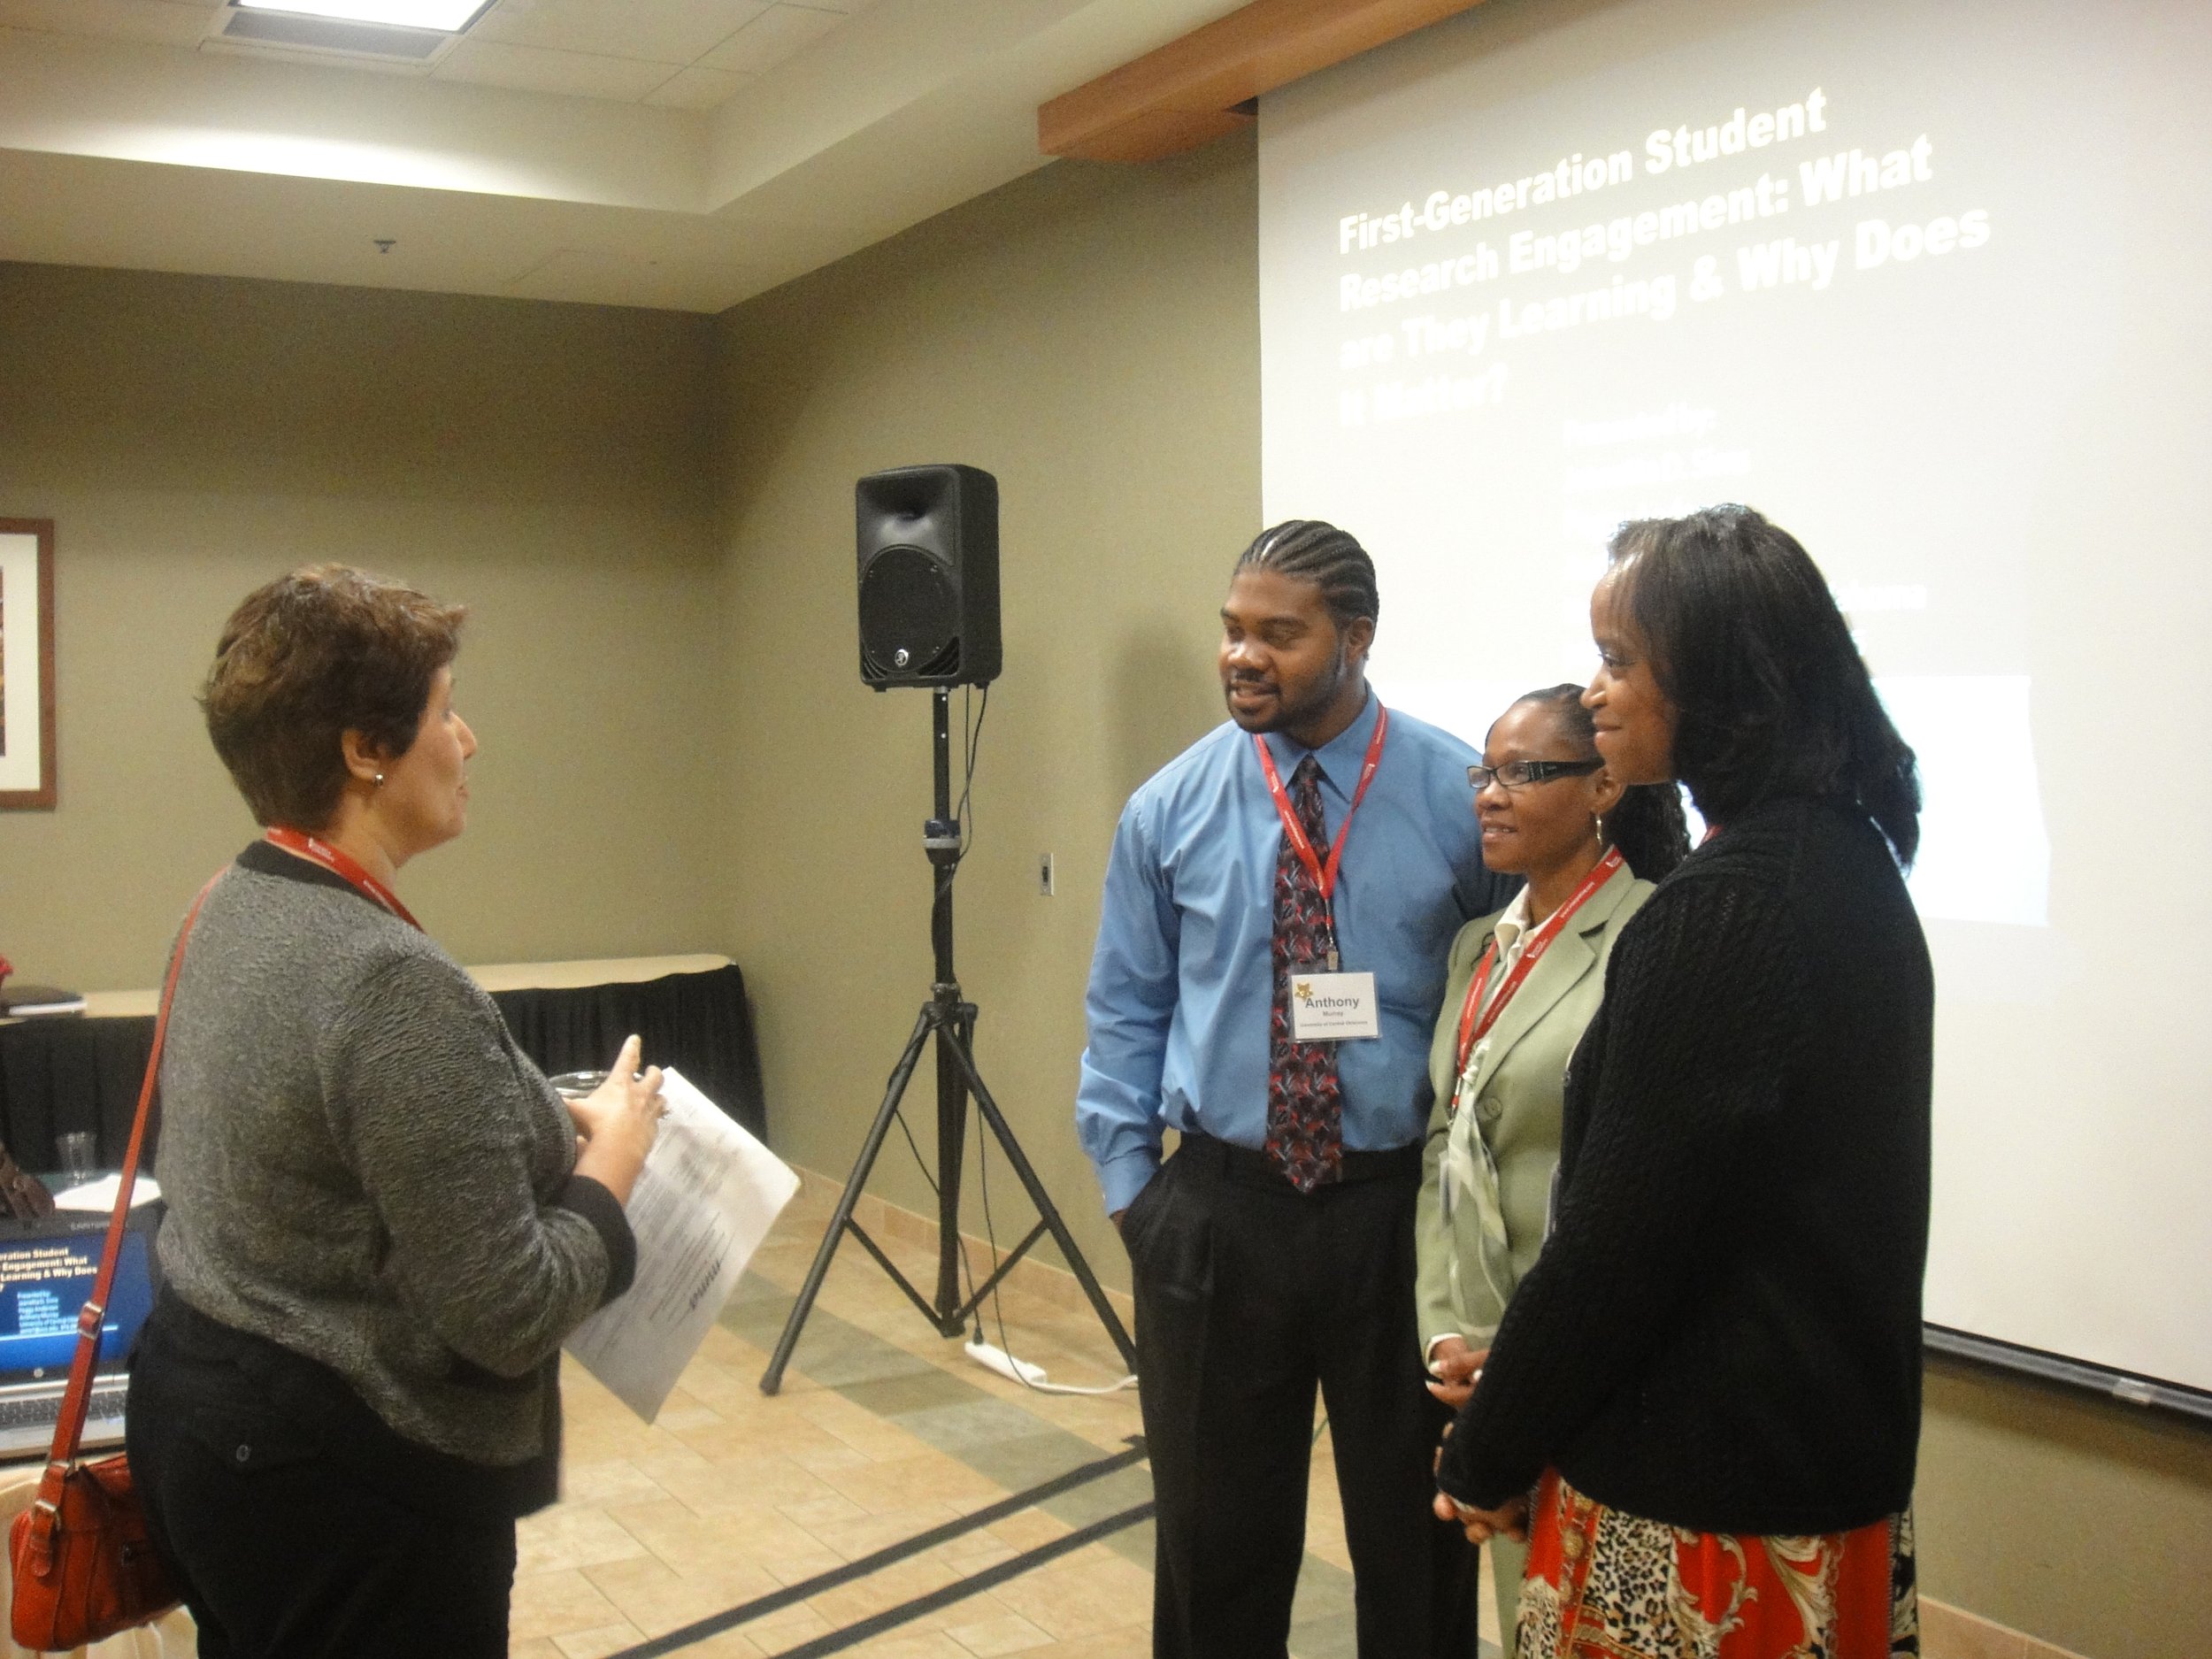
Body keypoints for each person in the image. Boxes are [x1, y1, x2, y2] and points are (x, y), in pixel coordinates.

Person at [127, 565, 666, 1657]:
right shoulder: (386, 980)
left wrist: (532, 1121)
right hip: (343, 1490)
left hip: (207, 1428)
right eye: (444, 710)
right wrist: (614, 1163)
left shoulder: (230, 901)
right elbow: (507, 1311)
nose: (469, 740)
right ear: (365, 752)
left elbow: (346, 1144)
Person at [1432, 505, 1931, 1659]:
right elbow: (1724, 1220)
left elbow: (1617, 1248)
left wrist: (1488, 1452)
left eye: (1619, 661)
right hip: (1808, 1482)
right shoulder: (1848, 862)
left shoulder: (1723, 912)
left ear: (1718, 681)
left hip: (1703, 1520)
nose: (1596, 692)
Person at [1077, 520, 1511, 1658]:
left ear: (1356, 639)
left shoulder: (1456, 793)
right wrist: (1137, 1195)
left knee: (1414, 1547)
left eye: (1279, 633)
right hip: (1222, 1213)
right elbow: (1125, 1007)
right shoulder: (1167, 808)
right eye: (1232, 630)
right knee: (1214, 1553)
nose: (1242, 656)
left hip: (1394, 1217)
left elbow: (1502, 999)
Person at [1413, 683, 1686, 1640]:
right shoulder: (1473, 947)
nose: (1489, 793)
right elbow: (1443, 1145)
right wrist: (1444, 1332)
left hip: (1585, 1363)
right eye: (1485, 771)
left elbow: (1630, 1183)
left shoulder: (1655, 934)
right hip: (1477, 1358)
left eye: (1525, 772)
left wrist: (1519, 1363)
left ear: (1604, 784)